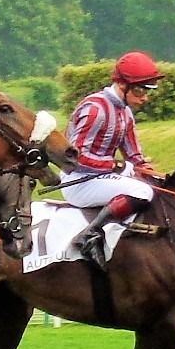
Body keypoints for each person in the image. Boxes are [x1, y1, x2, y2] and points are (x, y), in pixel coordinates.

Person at [61, 51, 163, 258]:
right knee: (143, 192)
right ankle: (89, 235)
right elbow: (73, 158)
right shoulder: (95, 109)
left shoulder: (125, 113)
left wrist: (157, 176)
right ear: (122, 85)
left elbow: (135, 157)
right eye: (140, 90)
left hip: (101, 178)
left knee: (156, 188)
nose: (145, 97)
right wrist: (116, 166)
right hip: (78, 181)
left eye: (148, 91)